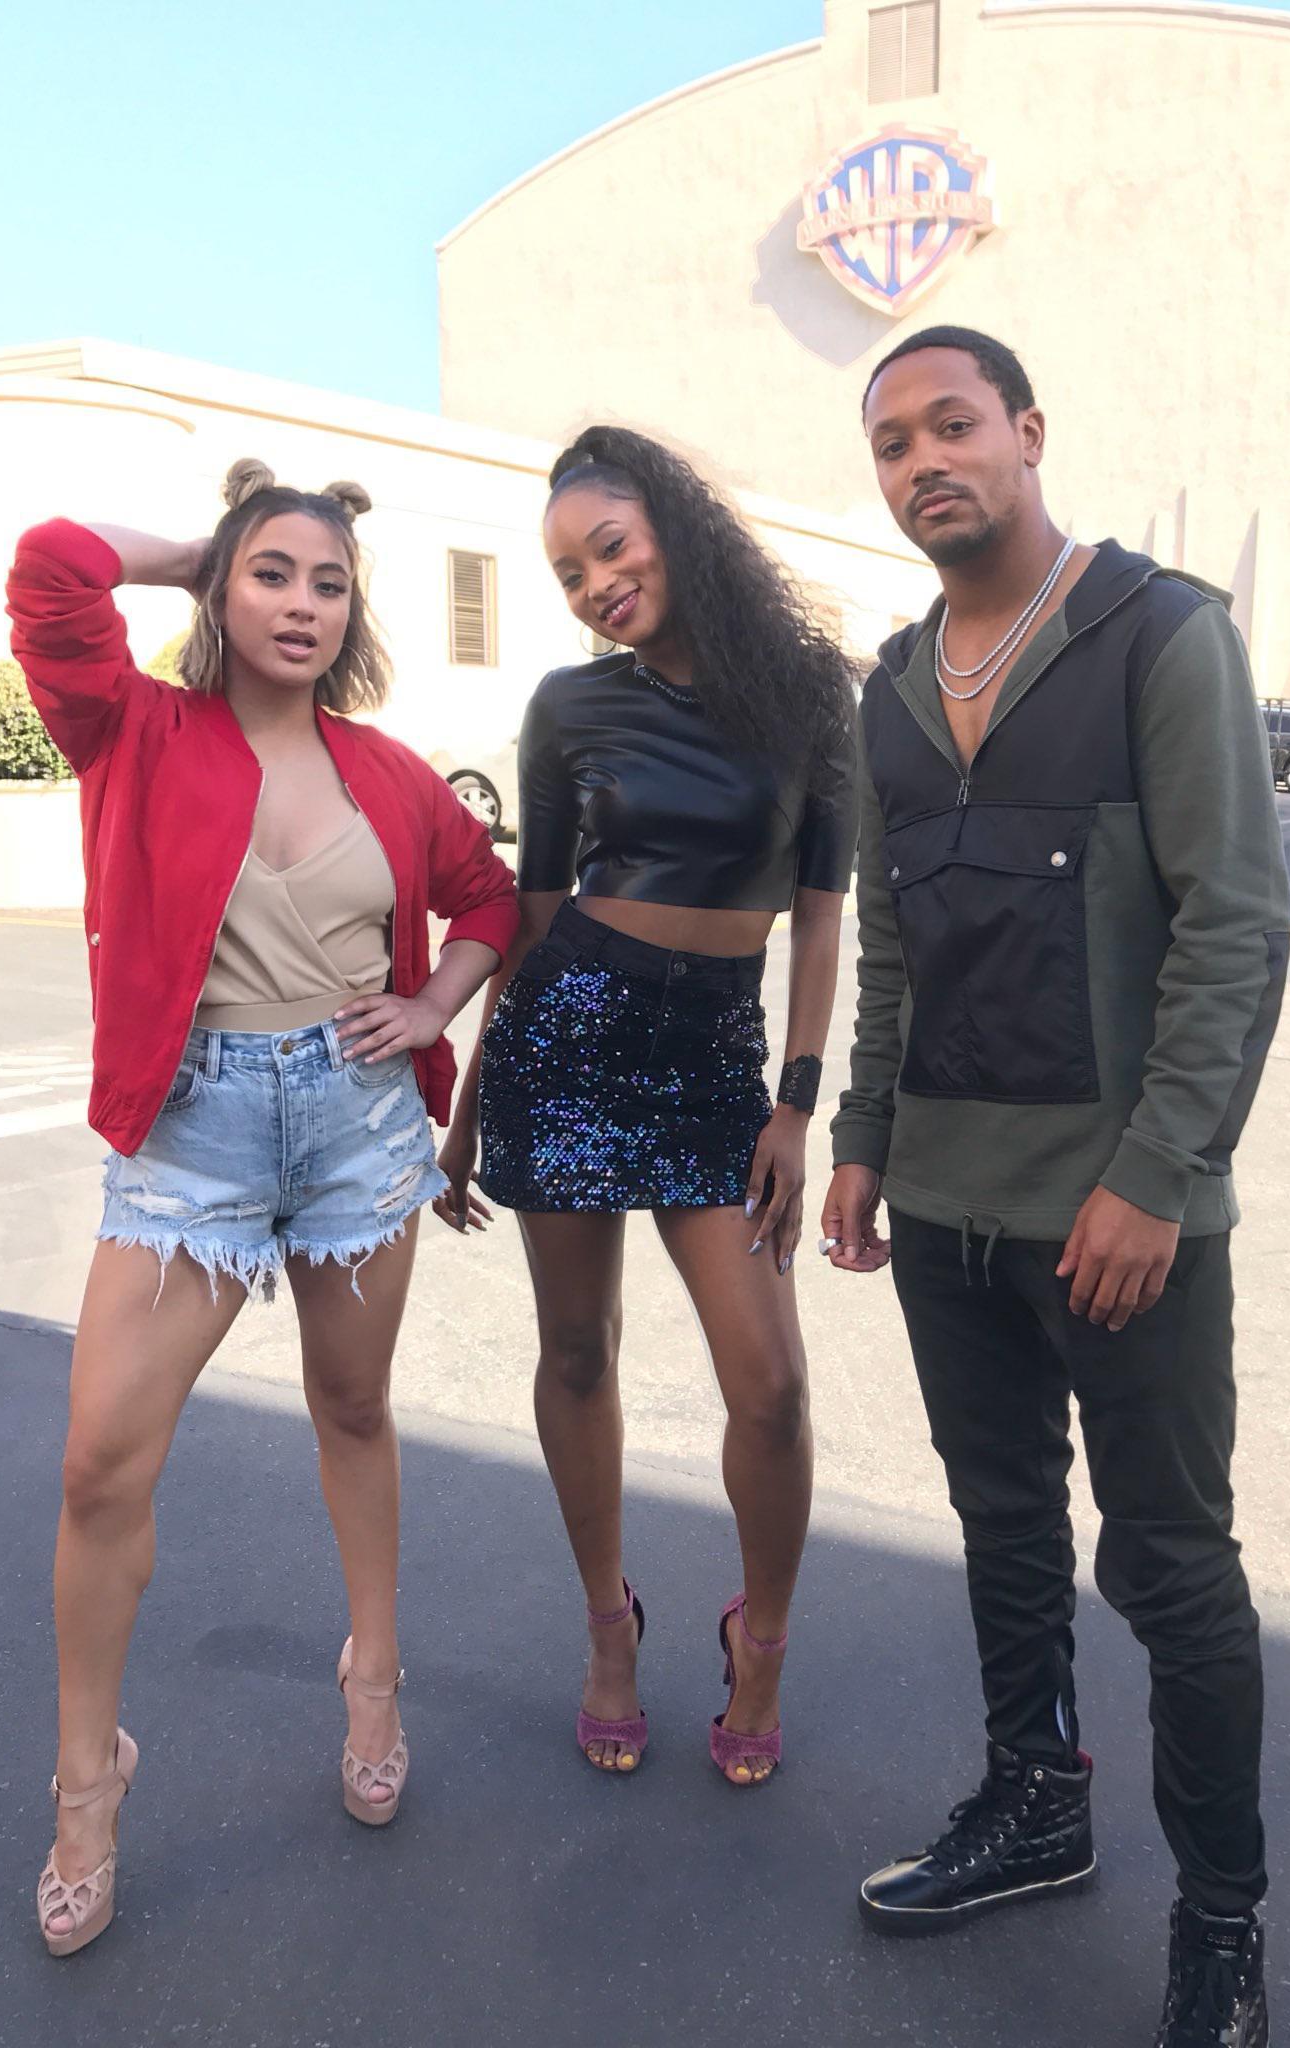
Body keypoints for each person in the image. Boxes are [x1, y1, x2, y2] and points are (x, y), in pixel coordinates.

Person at [820, 327, 1288, 2047]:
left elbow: (1234, 927)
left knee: (1168, 1569)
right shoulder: (886, 688)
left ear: (1025, 431)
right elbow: (890, 941)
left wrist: (1157, 1176)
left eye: (951, 425)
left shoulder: (1158, 634)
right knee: (1003, 1526)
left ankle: (1221, 1921)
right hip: (944, 1212)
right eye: (890, 442)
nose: (922, 461)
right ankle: (1035, 1804)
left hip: (1118, 1222)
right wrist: (863, 1133)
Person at [7, 461, 518, 1956]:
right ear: (225, 589)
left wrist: (429, 1005)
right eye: (271, 573)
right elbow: (51, 564)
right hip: (193, 1140)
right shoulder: (133, 728)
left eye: (328, 583)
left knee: (352, 1409)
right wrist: (192, 552)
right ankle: (89, 1780)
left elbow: (491, 900)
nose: (302, 604)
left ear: (354, 614)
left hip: (358, 1132)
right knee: (101, 1463)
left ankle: (374, 1676)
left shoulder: (389, 772)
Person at [435, 426, 855, 1786]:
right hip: (564, 1042)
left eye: (610, 547)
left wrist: (794, 1106)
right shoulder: (569, 705)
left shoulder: (807, 694)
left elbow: (818, 916)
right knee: (576, 1353)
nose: (594, 583)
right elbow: (534, 913)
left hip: (713, 1065)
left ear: (677, 528)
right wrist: (472, 1105)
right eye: (568, 572)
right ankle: (607, 1628)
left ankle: (760, 1643)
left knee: (771, 1387)